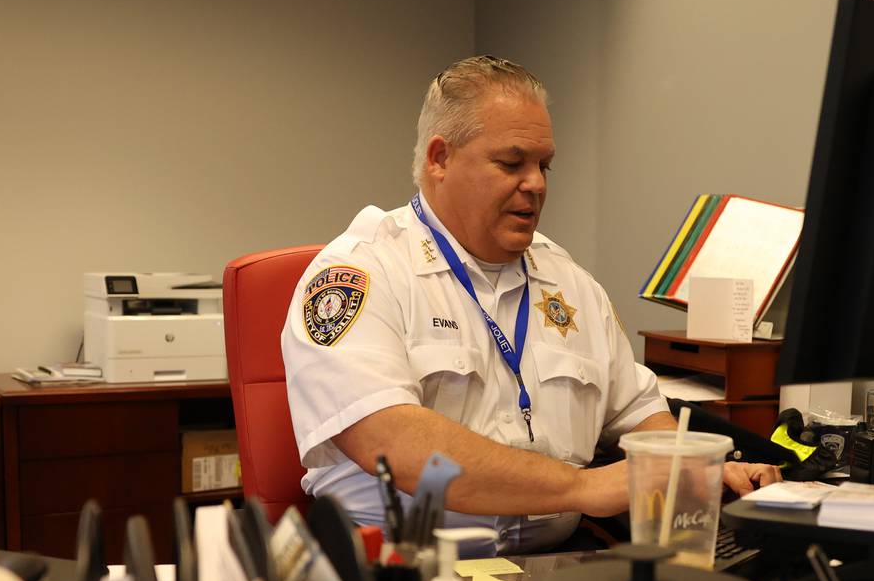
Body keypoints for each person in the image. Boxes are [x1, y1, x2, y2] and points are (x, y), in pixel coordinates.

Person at [282, 55, 780, 555]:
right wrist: (585, 487)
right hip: (403, 573)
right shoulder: (361, 273)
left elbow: (638, 414)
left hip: (554, 568)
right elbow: (393, 440)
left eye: (544, 165)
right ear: (440, 158)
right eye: (511, 162)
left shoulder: (571, 283)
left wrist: (700, 470)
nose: (537, 184)